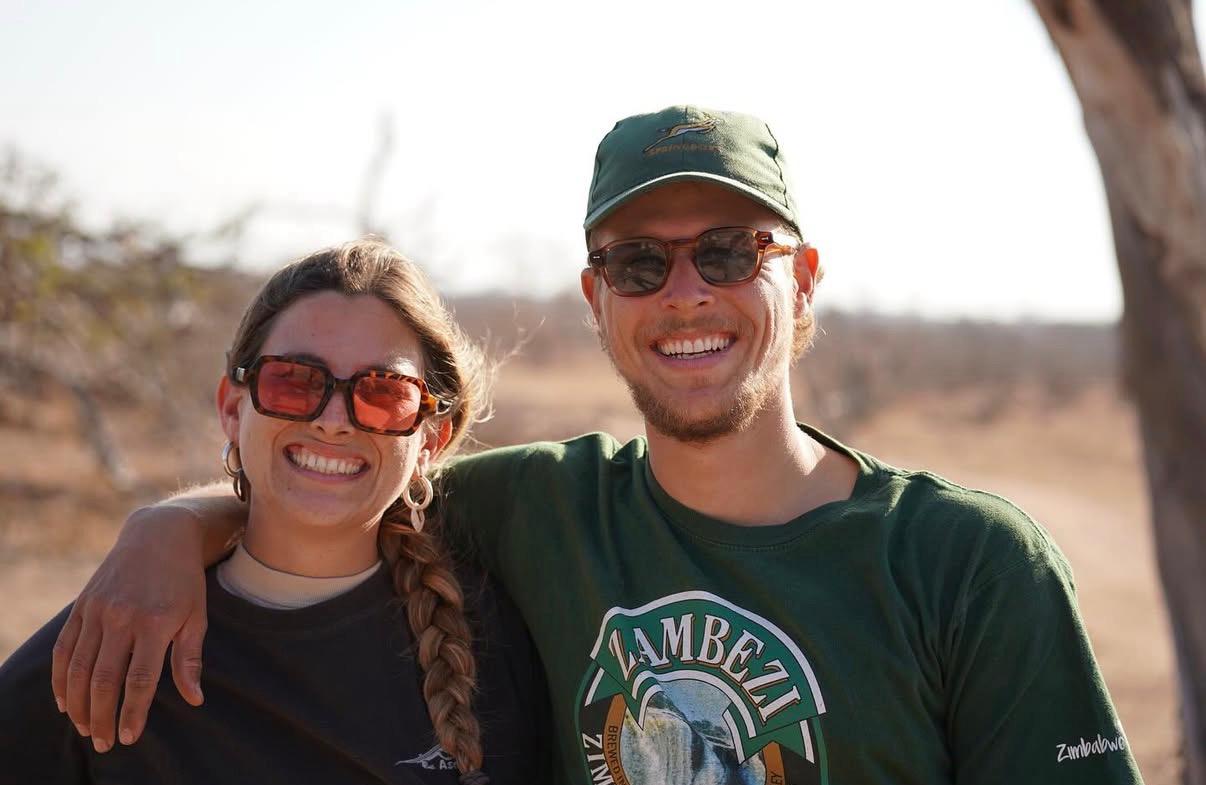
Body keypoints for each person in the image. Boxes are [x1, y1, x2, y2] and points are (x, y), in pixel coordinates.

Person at [38, 106, 1143, 784]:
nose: (684, 292)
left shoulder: (966, 562)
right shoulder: (537, 510)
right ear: (595, 299)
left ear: (802, 279)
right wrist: (169, 526)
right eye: (638, 264)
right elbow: (345, 478)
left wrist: (166, 522)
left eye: (728, 252)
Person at [0, 241, 548, 783]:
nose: (333, 421)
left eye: (384, 393)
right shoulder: (116, 637)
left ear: (431, 440)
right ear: (232, 408)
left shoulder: (494, 643)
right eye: (294, 381)